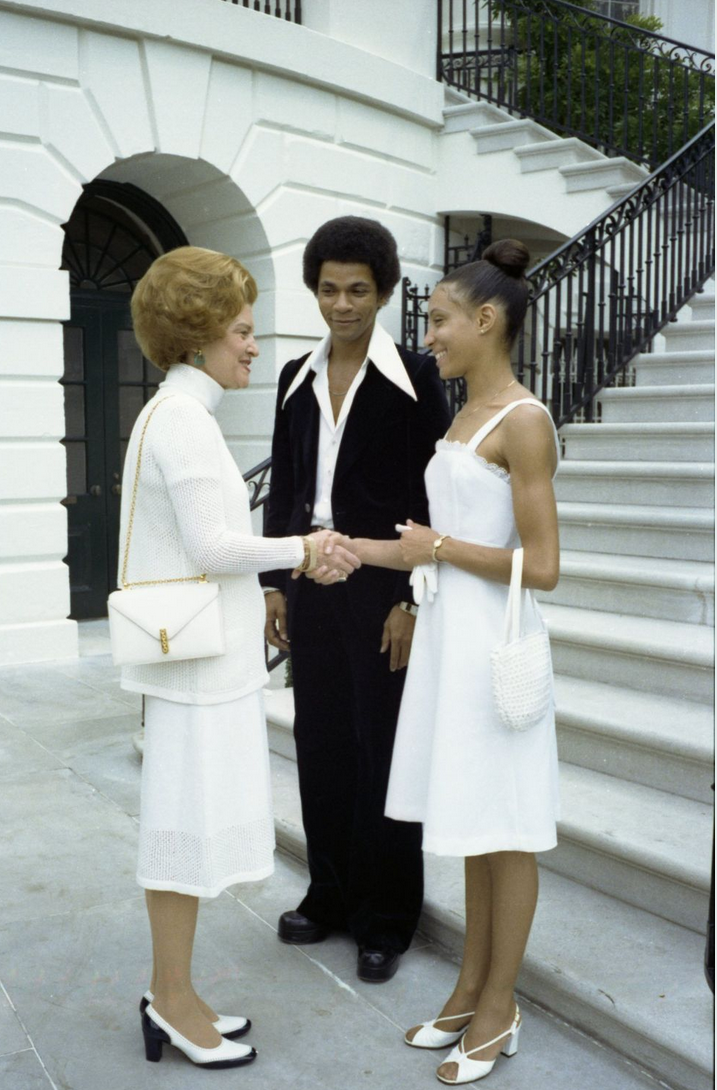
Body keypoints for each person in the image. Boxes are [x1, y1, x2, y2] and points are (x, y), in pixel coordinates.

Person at [121, 246, 360, 1071]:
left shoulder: (183, 410)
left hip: (200, 670)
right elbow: (213, 545)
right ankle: (170, 999)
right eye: (242, 330)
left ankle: (176, 994)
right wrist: (305, 546)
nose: (253, 345)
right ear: (198, 334)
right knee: (177, 837)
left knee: (185, 835)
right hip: (195, 676)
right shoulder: (185, 419)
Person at [350, 239, 560, 1084]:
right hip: (449, 641)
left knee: (507, 833)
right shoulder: (462, 415)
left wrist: (440, 545)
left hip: (496, 647)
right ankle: (472, 986)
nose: (427, 335)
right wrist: (342, 550)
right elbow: (424, 548)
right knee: (475, 830)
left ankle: (502, 1008)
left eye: (437, 321)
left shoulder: (526, 422)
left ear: (485, 320)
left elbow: (542, 566)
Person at [260, 216, 451, 982]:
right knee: (323, 745)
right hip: (310, 584)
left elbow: (433, 499)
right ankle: (329, 896)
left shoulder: (416, 380)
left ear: (383, 292)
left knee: (383, 752)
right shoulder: (293, 378)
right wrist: (275, 579)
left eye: (359, 291)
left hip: (381, 591)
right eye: (330, 290)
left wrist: (412, 599)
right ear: (315, 291)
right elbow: (283, 484)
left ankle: (386, 918)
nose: (343, 305)